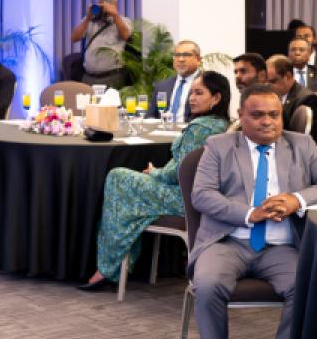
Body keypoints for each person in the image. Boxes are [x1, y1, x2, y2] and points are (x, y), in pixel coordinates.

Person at [189, 85, 317, 339]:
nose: (267, 122)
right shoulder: (219, 146)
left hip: (281, 246)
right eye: (258, 115)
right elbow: (201, 195)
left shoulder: (301, 144)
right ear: (241, 116)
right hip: (228, 241)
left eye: (274, 115)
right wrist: (250, 213)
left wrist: (296, 200)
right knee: (207, 285)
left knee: (309, 286)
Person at [80, 71, 232, 292]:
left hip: (184, 199)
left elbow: (178, 173)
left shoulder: (200, 129)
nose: (192, 98)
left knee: (117, 178)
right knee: (126, 185)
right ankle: (118, 265)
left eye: (199, 93)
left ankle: (109, 268)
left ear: (216, 98)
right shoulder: (220, 124)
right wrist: (157, 172)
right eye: (191, 93)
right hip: (198, 195)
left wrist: (154, 172)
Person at [70, 0, 131, 88]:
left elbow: (126, 36)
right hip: (89, 77)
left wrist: (115, 15)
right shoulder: (89, 21)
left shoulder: (123, 21)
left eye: (108, 3)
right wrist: (88, 18)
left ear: (115, 5)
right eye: (101, 3)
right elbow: (74, 38)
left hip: (113, 77)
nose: (104, 7)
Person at [266, 54, 317, 142]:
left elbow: (302, 139)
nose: (267, 86)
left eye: (272, 82)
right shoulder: (276, 96)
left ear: (288, 76)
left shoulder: (307, 100)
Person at [150, 39, 203, 123]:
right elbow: (150, 116)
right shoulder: (162, 86)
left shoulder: (207, 84)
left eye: (186, 55)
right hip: (163, 129)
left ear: (198, 60)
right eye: (177, 55)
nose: (181, 59)